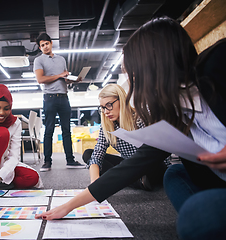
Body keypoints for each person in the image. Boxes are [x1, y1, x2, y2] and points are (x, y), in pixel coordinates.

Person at [36, 17, 226, 240]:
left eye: (133, 73)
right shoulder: (172, 111)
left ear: (154, 65)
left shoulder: (217, 64)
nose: (133, 82)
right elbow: (135, 164)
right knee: (176, 174)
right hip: (212, 179)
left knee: (195, 218)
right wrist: (68, 207)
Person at [82, 84, 167, 190]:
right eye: (103, 108)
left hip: (150, 164)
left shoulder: (140, 117)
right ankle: (137, 181)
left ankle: (129, 180)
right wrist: (94, 182)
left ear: (121, 100)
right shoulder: (108, 125)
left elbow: (156, 152)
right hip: (129, 166)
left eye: (109, 105)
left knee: (152, 166)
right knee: (88, 154)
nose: (106, 111)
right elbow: (98, 153)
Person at [33, 32, 85, 171]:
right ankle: (47, 162)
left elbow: (63, 80)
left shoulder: (61, 59)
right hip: (49, 99)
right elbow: (41, 79)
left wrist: (72, 79)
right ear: (40, 48)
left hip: (64, 97)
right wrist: (60, 75)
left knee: (66, 130)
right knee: (49, 130)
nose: (45, 46)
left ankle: (70, 160)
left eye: (46, 43)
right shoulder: (39, 60)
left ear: (51, 43)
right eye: (42, 45)